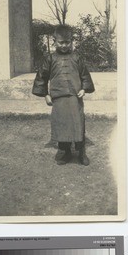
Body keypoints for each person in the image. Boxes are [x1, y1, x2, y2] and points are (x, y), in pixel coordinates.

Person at [32, 25, 95, 165]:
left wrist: (84, 89)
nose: (65, 45)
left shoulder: (77, 58)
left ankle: (80, 152)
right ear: (54, 41)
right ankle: (64, 152)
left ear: (71, 41)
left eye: (67, 42)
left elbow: (84, 75)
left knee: (78, 123)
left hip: (75, 98)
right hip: (58, 99)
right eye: (61, 42)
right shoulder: (50, 59)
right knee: (62, 124)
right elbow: (41, 77)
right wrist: (45, 95)